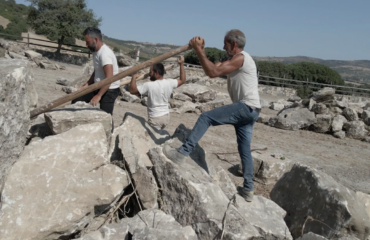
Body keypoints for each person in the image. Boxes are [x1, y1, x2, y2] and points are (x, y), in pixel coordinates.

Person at [163, 29, 261, 202]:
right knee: (244, 148)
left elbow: (212, 73)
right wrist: (202, 50)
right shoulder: (236, 59)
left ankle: (182, 153)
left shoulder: (241, 58)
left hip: (245, 106)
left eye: (225, 44)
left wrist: (198, 50)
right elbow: (214, 67)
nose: (223, 47)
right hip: (253, 110)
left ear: (234, 44)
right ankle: (248, 189)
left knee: (205, 118)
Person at [72, 27, 120, 115]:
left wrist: (98, 96)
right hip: (97, 85)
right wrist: (87, 84)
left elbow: (109, 78)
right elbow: (97, 70)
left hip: (109, 89)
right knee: (77, 100)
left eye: (88, 42)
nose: (86, 45)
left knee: (106, 116)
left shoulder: (105, 54)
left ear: (96, 39)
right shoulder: (95, 51)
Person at [129, 56, 186, 130]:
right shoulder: (169, 82)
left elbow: (132, 91)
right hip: (166, 117)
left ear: (156, 73)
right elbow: (183, 80)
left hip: (155, 118)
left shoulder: (149, 85)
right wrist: (181, 64)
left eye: (150, 72)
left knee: (152, 138)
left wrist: (133, 78)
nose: (149, 74)